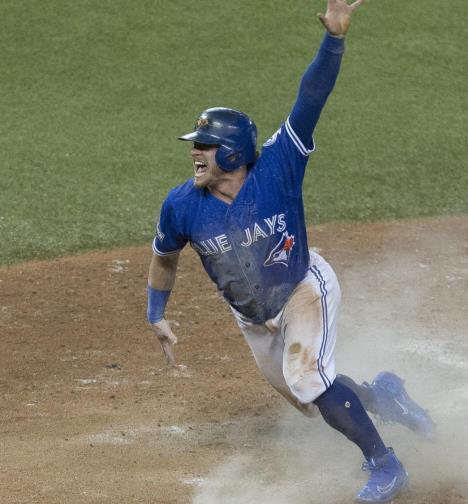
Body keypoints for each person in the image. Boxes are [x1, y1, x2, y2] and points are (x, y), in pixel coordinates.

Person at [146, 2, 433, 501]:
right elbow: (165, 256)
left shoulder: (278, 167)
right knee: (311, 393)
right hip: (252, 317)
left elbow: (311, 96)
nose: (196, 152)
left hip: (302, 286)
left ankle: (386, 464)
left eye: (206, 145)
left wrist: (335, 40)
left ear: (233, 152)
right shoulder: (182, 205)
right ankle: (382, 394)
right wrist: (156, 314)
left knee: (308, 379)